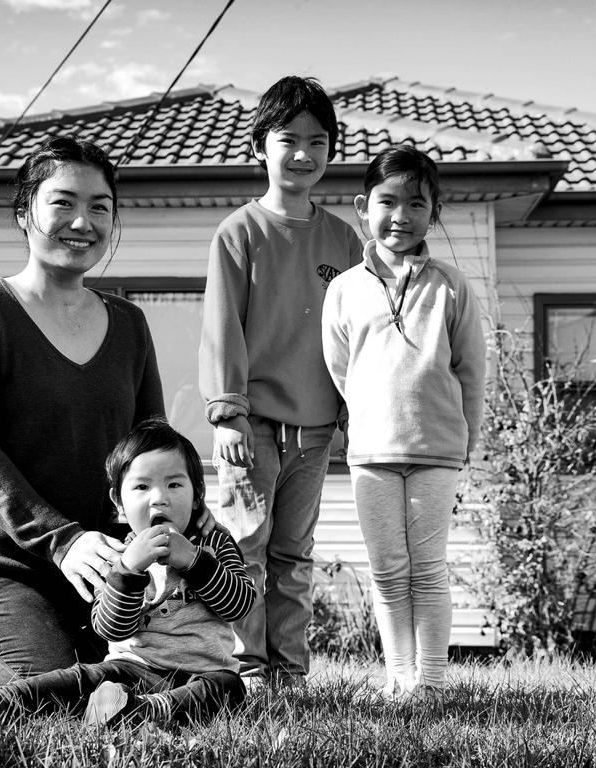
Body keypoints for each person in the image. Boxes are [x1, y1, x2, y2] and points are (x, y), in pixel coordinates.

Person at [0, 136, 213, 688]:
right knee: (54, 681)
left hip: (87, 564)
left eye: (100, 206)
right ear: (25, 212)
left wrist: (182, 523)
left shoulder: (129, 325)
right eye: (64, 202)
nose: (83, 220)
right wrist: (63, 539)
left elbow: (149, 448)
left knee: (128, 675)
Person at [198, 75, 363, 687]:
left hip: (317, 428)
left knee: (294, 555)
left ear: (330, 151)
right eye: (288, 139)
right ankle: (245, 674)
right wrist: (227, 413)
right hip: (253, 426)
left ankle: (290, 675)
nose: (303, 154)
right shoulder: (238, 232)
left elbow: (357, 337)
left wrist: (351, 414)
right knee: (244, 551)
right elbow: (222, 327)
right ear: (260, 146)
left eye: (318, 142)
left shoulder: (344, 240)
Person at [0, 418, 254, 729]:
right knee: (79, 679)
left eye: (174, 484)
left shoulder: (214, 541)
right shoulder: (118, 554)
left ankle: (144, 711)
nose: (159, 498)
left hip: (203, 672)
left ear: (197, 494)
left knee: (230, 689)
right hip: (132, 668)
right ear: (119, 502)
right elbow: (110, 628)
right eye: (142, 487)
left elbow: (240, 604)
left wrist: (193, 561)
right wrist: (129, 571)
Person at [321, 144, 486, 703]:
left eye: (416, 203)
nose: (401, 215)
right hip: (370, 453)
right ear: (362, 206)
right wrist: (372, 416)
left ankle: (432, 684)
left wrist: (470, 442)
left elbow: (471, 372)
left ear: (433, 211)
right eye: (387, 202)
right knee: (389, 570)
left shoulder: (453, 286)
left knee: (428, 568)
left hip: (438, 450)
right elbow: (340, 368)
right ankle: (397, 680)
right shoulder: (343, 288)